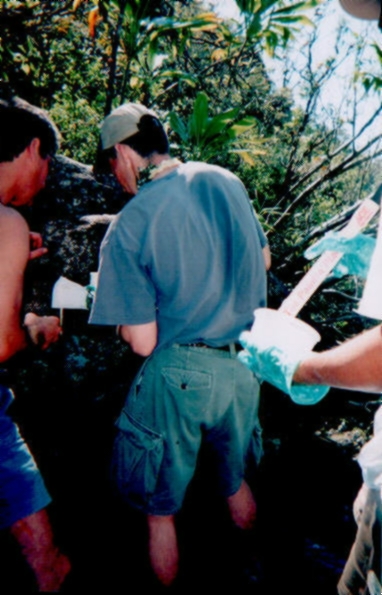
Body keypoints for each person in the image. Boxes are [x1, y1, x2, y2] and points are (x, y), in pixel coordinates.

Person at [90, 103, 270, 587]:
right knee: (234, 484)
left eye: (110, 161)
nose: (114, 173)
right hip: (242, 366)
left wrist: (122, 319)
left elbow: (144, 342)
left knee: (159, 511)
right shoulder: (224, 180)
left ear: (125, 152)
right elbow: (265, 258)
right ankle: (255, 577)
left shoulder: (131, 223)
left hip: (180, 375)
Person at [0, 97, 71, 591]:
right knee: (49, 567)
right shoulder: (8, 222)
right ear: (31, 148)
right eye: (47, 162)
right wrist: (34, 329)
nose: (47, 178)